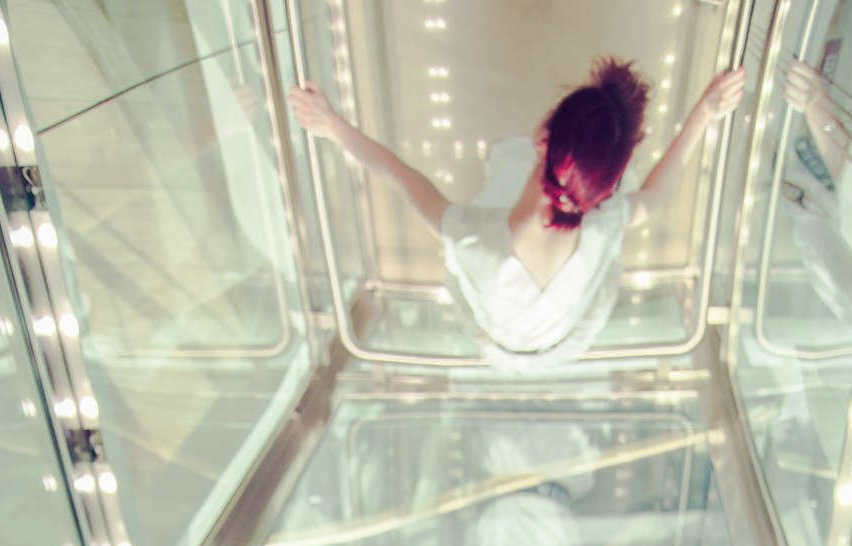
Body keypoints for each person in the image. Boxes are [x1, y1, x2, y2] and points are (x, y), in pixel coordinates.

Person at [288, 61, 746, 370]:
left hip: (499, 339)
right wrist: (704, 114)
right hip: (564, 339)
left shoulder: (475, 241)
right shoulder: (605, 224)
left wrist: (330, 124)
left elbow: (403, 176)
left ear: (543, 136)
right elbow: (655, 195)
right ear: (605, 187)